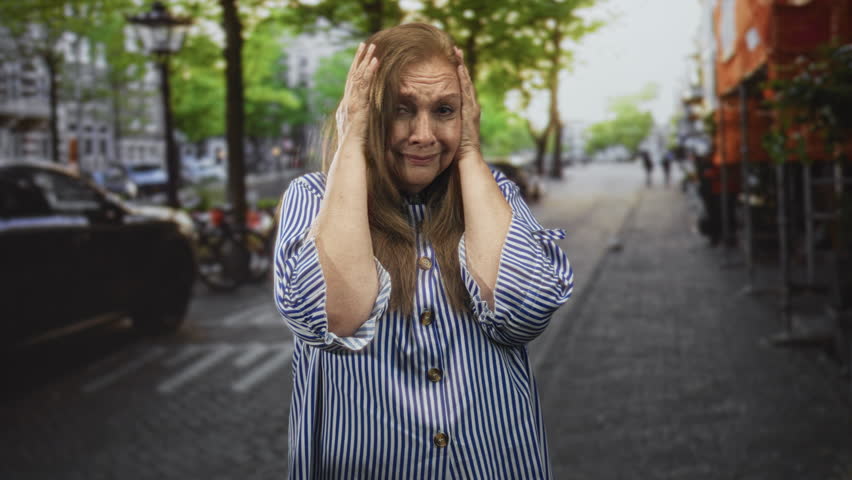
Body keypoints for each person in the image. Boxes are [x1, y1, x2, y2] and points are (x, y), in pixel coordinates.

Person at [274, 23, 573, 478]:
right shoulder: (314, 200)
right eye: (401, 110)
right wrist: (353, 139)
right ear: (368, 113)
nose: (423, 134)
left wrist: (470, 149)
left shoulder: (495, 198)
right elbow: (338, 315)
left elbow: (525, 312)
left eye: (444, 110)